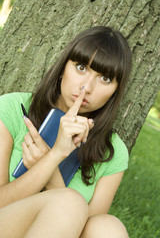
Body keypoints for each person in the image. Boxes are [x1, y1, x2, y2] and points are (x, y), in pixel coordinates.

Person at [0, 26, 132, 237]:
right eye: (80, 67)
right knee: (70, 202)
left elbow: (85, 230)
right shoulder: (11, 109)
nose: (86, 87)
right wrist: (55, 154)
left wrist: (50, 163)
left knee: (108, 228)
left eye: (105, 79)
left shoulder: (113, 150)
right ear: (63, 67)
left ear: (115, 91)